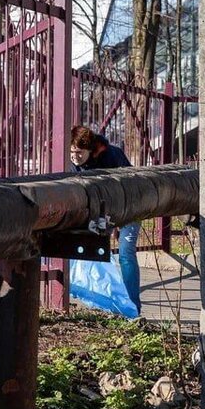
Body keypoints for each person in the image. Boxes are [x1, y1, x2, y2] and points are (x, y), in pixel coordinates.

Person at [69, 125, 141, 311]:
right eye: (71, 152)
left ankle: (132, 305)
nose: (75, 157)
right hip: (105, 211)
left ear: (91, 151)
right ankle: (107, 301)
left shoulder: (111, 156)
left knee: (126, 253)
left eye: (79, 153)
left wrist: (117, 222)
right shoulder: (77, 164)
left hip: (132, 206)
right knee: (97, 251)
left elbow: (127, 188)